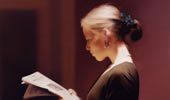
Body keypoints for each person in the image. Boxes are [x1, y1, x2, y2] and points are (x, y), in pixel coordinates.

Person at [80, 4, 142, 100]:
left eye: (89, 39)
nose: (87, 47)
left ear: (105, 34)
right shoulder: (117, 69)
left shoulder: (121, 74)